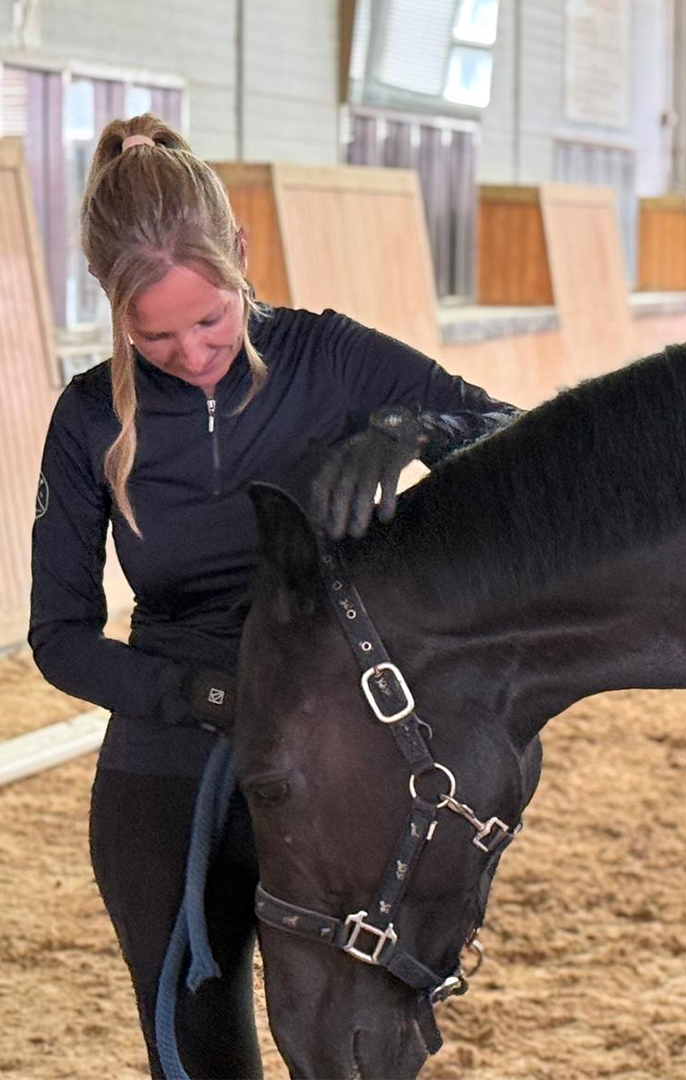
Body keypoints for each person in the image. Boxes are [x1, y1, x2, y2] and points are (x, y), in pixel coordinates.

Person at [28, 114, 518, 1079]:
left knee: (354, 1051)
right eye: (154, 336)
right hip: (177, 744)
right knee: (194, 1048)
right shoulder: (87, 417)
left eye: (211, 321)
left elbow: (509, 430)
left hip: (338, 737)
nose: (193, 352)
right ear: (109, 302)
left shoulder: (329, 356)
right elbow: (58, 635)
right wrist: (200, 696)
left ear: (242, 255)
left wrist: (415, 433)